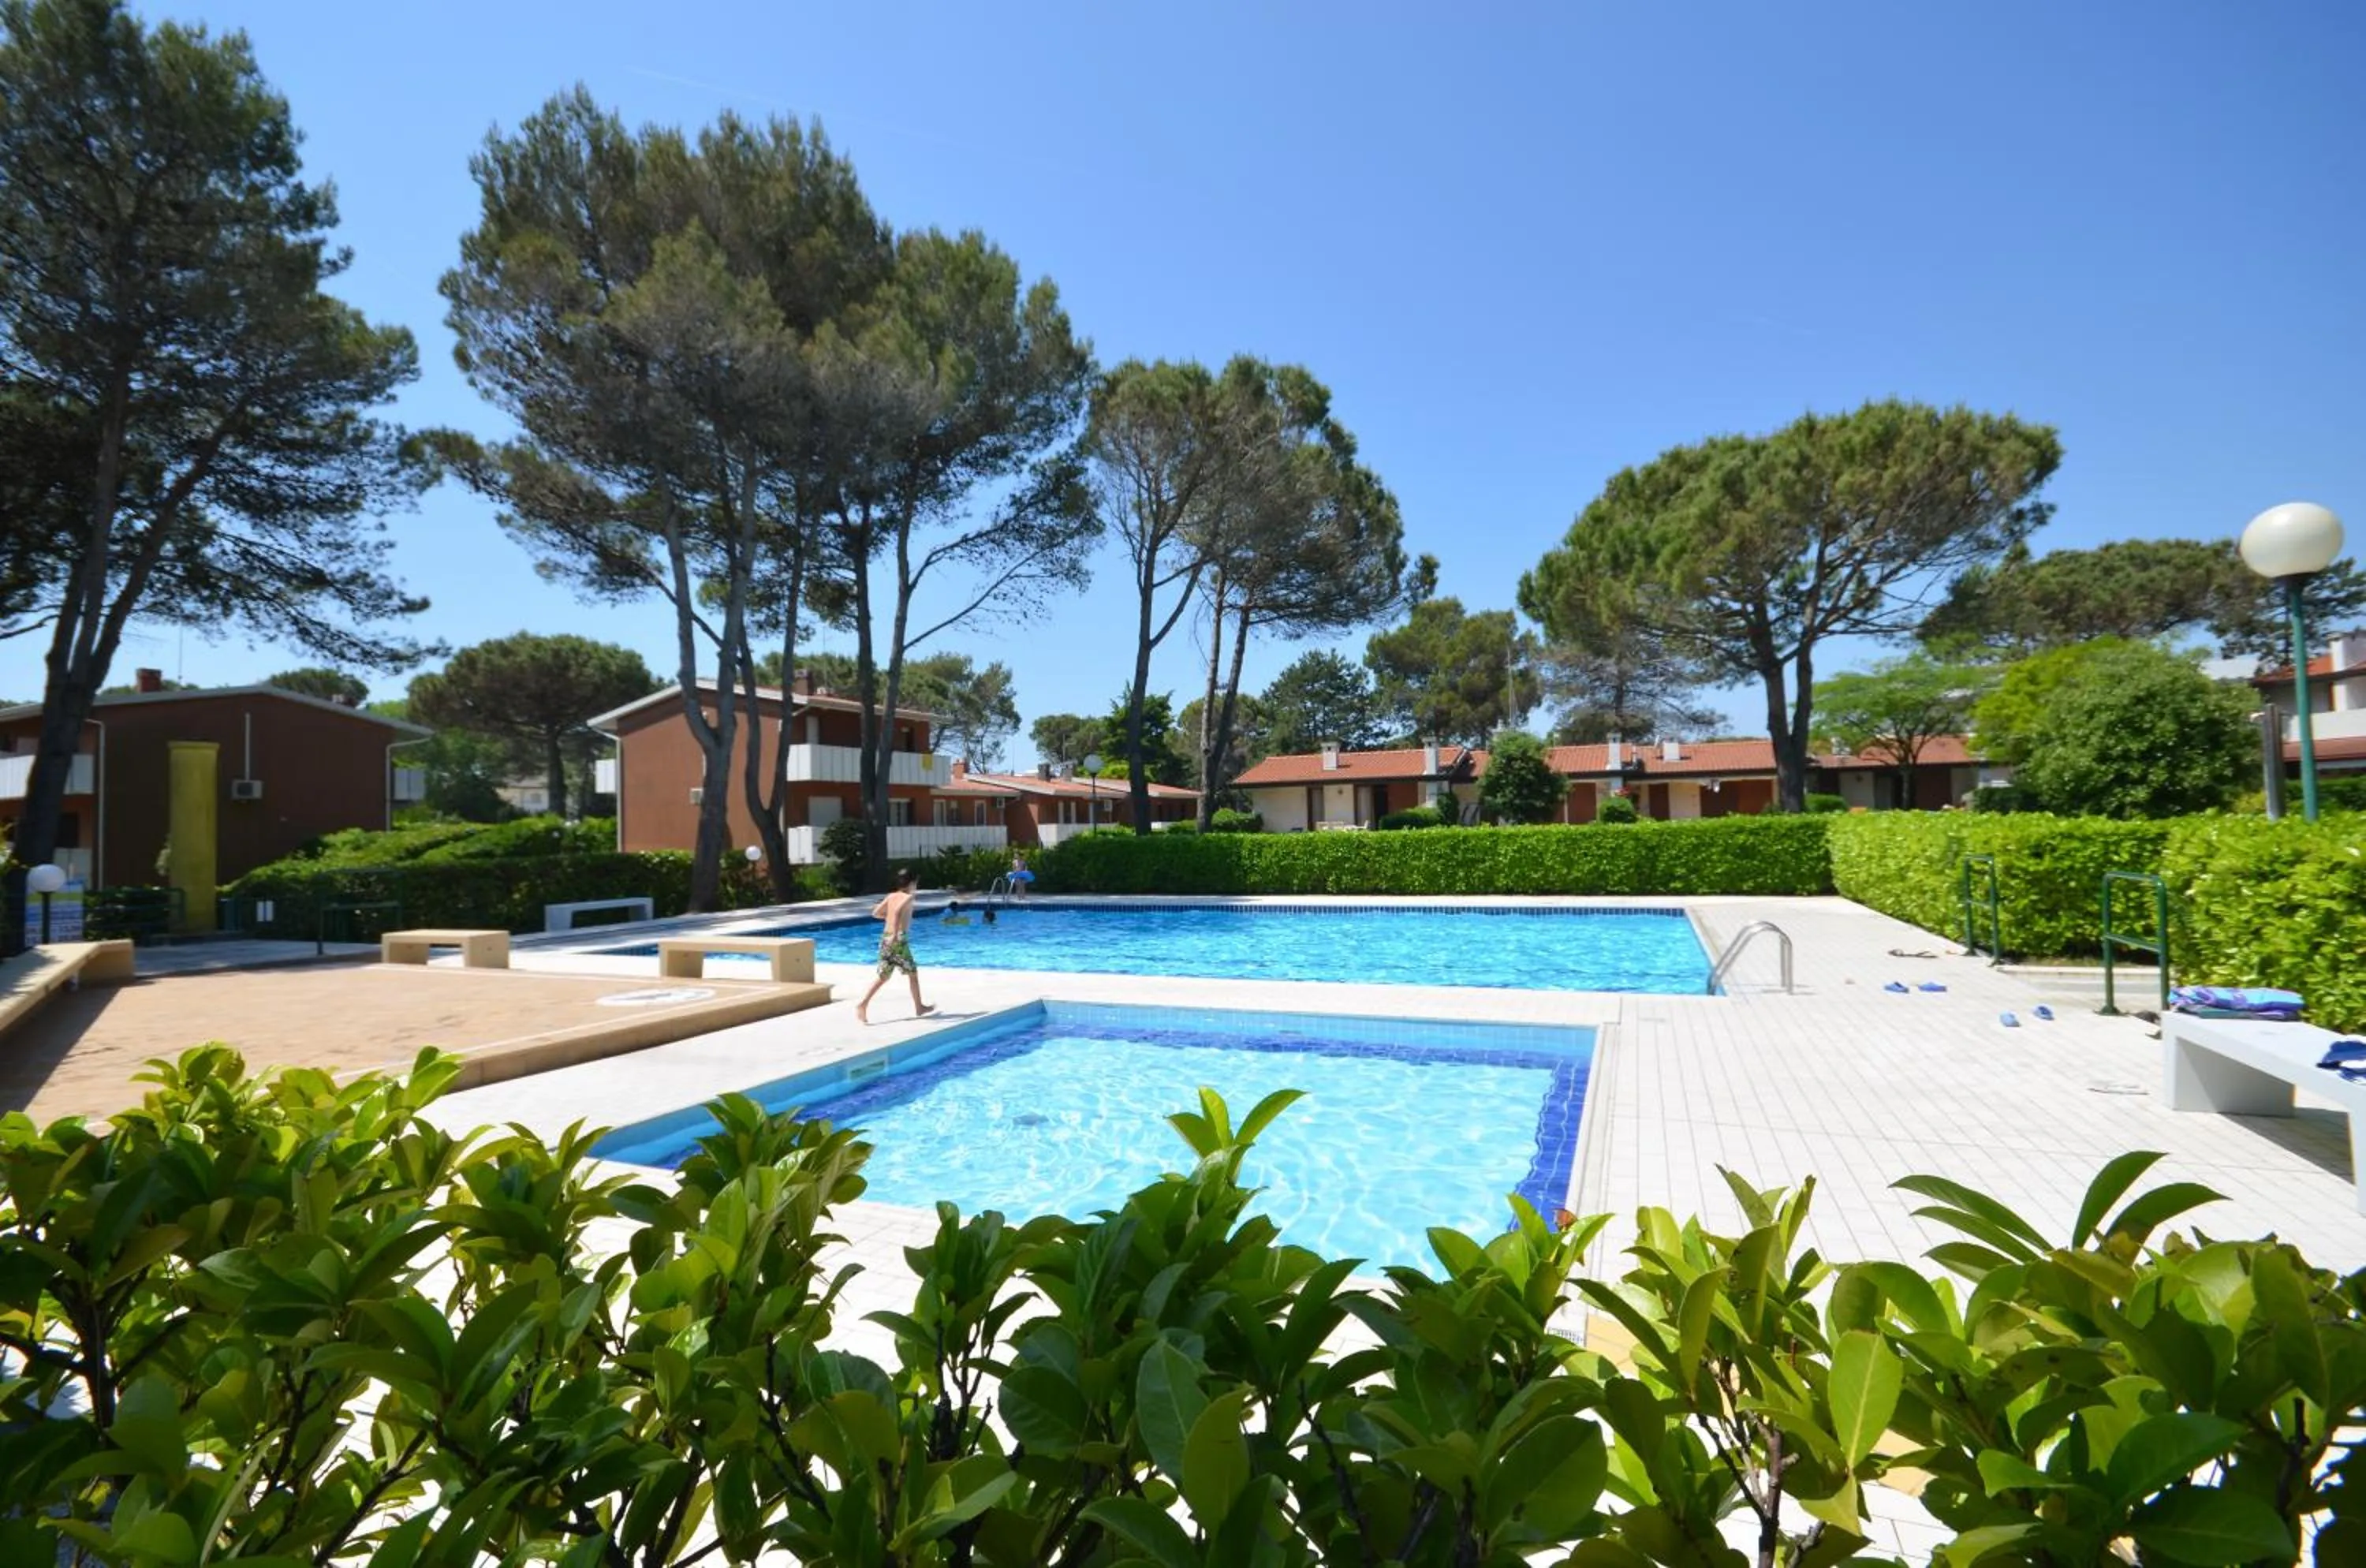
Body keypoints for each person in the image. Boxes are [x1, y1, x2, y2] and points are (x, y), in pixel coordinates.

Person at [856, 868, 935, 1025]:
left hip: (885, 939)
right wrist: (896, 932)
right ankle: (919, 1007)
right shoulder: (908, 897)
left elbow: (876, 913)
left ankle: (863, 1004)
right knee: (913, 973)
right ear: (912, 883)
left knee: (883, 976)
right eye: (916, 883)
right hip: (898, 940)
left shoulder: (891, 896)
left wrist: (890, 920)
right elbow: (898, 912)